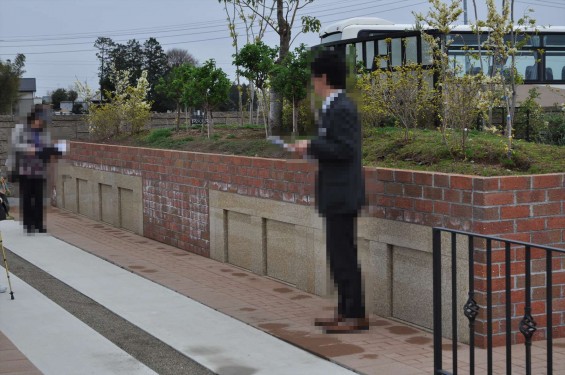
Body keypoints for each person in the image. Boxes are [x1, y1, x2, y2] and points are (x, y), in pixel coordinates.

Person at [291, 49, 367, 333]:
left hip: (342, 194)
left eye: (314, 78)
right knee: (338, 254)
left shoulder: (343, 108)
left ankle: (355, 314)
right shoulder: (334, 107)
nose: (313, 84)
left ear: (323, 77)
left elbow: (346, 149)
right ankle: (345, 309)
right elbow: (334, 149)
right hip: (335, 192)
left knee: (344, 254)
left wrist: (311, 146)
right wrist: (312, 150)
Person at [6, 104, 62, 233]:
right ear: (34, 117)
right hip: (24, 169)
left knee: (38, 197)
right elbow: (15, 146)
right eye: (39, 120)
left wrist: (53, 150)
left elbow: (46, 148)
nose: (40, 123)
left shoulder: (43, 132)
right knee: (26, 197)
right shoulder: (21, 129)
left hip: (39, 169)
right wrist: (28, 149)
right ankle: (28, 224)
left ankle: (39, 224)